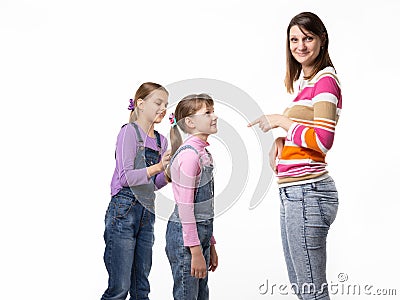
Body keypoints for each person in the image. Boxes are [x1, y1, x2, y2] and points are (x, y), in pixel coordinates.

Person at [249, 12, 342, 300]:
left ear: (322, 39)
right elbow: (307, 133)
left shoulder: (326, 81)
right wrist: (281, 140)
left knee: (311, 293)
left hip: (308, 194)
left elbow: (323, 141)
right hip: (296, 194)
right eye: (294, 39)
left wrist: (281, 121)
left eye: (308, 38)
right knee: (305, 291)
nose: (300, 45)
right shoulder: (307, 83)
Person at [101, 82, 172, 300]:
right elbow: (125, 178)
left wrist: (169, 174)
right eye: (158, 102)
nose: (163, 108)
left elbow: (153, 184)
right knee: (119, 288)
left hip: (146, 212)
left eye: (166, 105)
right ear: (140, 104)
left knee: (141, 288)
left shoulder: (162, 141)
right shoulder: (128, 132)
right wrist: (159, 166)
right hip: (123, 211)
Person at [165, 94, 219, 300]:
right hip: (186, 239)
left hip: (199, 236)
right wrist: (195, 250)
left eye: (213, 111)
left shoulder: (203, 153)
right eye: (207, 113)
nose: (214, 117)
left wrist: (210, 243)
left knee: (201, 295)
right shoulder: (189, 156)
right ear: (190, 122)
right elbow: (186, 207)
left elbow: (204, 206)